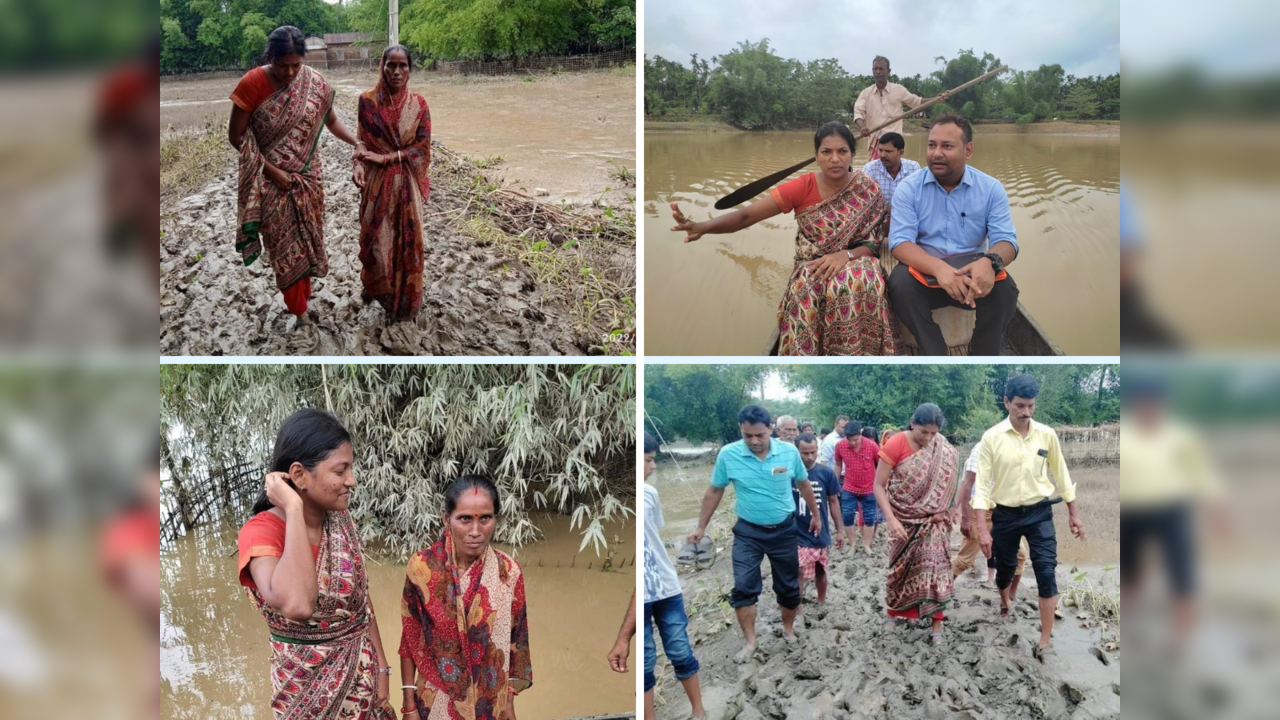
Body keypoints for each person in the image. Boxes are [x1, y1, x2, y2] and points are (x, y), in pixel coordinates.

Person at [671, 122, 897, 355]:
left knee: (860, 280)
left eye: (842, 151)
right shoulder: (802, 187)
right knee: (810, 289)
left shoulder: (867, 188)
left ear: (852, 154)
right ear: (816, 156)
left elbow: (872, 243)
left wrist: (845, 255)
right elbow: (745, 216)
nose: (835, 159)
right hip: (813, 264)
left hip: (855, 259)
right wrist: (702, 227)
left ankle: (857, 352)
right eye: (826, 152)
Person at [235, 409, 395, 719]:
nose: (352, 480)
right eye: (340, 471)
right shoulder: (261, 533)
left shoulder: (340, 522)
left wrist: (382, 667)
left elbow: (360, 601)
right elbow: (297, 605)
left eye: (351, 468)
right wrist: (293, 508)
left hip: (362, 682)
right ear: (298, 475)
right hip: (304, 694)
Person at [228, 26, 362, 324]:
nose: (290, 73)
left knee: (306, 239)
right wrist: (272, 171)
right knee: (283, 245)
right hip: (270, 183)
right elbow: (237, 137)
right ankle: (299, 311)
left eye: (296, 65)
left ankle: (304, 297)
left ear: (303, 60)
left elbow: (333, 120)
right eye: (282, 65)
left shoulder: (314, 83)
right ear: (270, 58)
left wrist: (358, 142)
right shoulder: (251, 83)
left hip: (308, 178)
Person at [686, 406, 820, 662]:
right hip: (748, 532)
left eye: (760, 435)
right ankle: (750, 642)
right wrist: (701, 527)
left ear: (771, 429)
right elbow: (715, 491)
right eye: (748, 436)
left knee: (789, 588)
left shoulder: (789, 452)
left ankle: (788, 631)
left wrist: (815, 515)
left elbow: (803, 483)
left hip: (784, 531)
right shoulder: (728, 455)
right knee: (744, 588)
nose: (754, 441)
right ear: (741, 431)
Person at [399, 475, 532, 720]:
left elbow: (517, 641)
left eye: (485, 519)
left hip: (490, 700)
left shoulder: (509, 572)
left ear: (495, 519)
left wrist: (509, 702)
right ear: (446, 519)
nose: (475, 531)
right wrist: (409, 705)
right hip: (435, 697)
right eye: (464, 519)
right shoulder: (422, 568)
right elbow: (410, 637)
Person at [886, 114, 1021, 356]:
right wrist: (939, 269)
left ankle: (983, 355)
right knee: (899, 286)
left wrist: (989, 262)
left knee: (1006, 292)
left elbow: (1007, 241)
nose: (936, 153)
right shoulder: (909, 188)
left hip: (972, 272)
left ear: (968, 150)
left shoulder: (990, 188)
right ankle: (934, 352)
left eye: (947, 146)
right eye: (931, 145)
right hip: (925, 270)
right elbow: (900, 242)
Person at [975, 375, 1084, 658]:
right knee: (1006, 568)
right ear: (1006, 402)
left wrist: (1074, 513)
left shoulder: (1046, 435)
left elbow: (1061, 473)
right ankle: (1003, 597)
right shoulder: (992, 438)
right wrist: (982, 529)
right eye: (1020, 405)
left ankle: (1045, 637)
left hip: (1039, 512)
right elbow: (983, 484)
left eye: (1031, 406)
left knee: (1046, 570)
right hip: (1005, 515)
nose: (1025, 412)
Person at [1120, 372, 1223, 649]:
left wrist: (1217, 512)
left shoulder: (1182, 436)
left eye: (1154, 402)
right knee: (1131, 572)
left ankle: (1181, 639)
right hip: (1134, 512)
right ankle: (1130, 625)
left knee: (1182, 574)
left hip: (1173, 511)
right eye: (1142, 402)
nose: (1148, 408)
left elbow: (1203, 474)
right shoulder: (1127, 435)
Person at [354, 45, 432, 322]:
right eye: (391, 65)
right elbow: (361, 140)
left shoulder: (419, 105)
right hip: (375, 183)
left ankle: (403, 304)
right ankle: (375, 287)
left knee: (407, 242)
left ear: (410, 69)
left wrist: (388, 158)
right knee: (376, 241)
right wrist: (358, 165)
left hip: (406, 186)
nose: (397, 72)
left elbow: (422, 149)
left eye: (403, 66)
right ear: (382, 66)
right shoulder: (367, 101)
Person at [873, 404, 960, 645]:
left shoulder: (943, 448)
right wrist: (890, 519)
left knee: (937, 572)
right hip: (904, 521)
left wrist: (946, 509)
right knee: (899, 572)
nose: (929, 438)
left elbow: (949, 484)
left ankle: (936, 625)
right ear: (912, 423)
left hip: (934, 524)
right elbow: (879, 486)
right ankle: (894, 612)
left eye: (934, 433)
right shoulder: (896, 444)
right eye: (924, 432)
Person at [639, 432, 705, 720]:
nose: (654, 467)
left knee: (680, 651)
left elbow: (654, 536)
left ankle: (699, 711)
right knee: (644, 663)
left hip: (666, 588)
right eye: (649, 460)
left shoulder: (650, 494)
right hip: (638, 597)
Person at [952, 437, 1028, 594]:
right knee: (965, 559)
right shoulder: (981, 449)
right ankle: (940, 590)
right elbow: (967, 483)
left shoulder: (1017, 450)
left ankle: (1011, 596)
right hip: (978, 509)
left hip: (1003, 510)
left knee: (1020, 555)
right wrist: (963, 515)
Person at [853, 56, 949, 159]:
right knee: (874, 171)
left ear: (888, 71)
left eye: (881, 69)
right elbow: (858, 112)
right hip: (875, 141)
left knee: (894, 168)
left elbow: (916, 102)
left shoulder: (898, 90)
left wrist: (936, 99)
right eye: (875, 69)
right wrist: (862, 127)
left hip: (894, 141)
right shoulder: (866, 93)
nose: (878, 72)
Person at [794, 433, 844, 610]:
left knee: (820, 570)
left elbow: (833, 502)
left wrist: (839, 530)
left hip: (819, 531)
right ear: (796, 452)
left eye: (813, 452)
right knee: (798, 571)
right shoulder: (789, 473)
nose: (809, 457)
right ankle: (797, 607)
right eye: (804, 453)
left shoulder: (826, 473)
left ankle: (821, 601)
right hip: (796, 531)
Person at [833, 421, 882, 552]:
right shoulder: (840, 446)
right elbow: (838, 464)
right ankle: (853, 544)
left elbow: (880, 465)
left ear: (860, 433)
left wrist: (880, 484)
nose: (853, 442)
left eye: (855, 439)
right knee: (848, 515)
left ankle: (866, 545)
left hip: (869, 488)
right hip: (849, 487)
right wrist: (835, 484)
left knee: (870, 517)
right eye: (850, 440)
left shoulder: (872, 446)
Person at [860, 132, 921, 209]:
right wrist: (885, 210)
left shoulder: (914, 168)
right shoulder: (870, 169)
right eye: (880, 150)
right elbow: (862, 200)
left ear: (901, 152)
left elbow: (920, 199)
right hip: (878, 217)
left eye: (888, 151)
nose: (882, 155)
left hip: (906, 216)